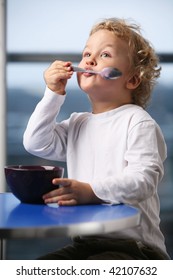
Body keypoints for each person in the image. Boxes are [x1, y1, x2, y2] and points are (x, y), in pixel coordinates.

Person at [23, 18, 170, 260]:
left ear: (132, 79)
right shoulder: (78, 123)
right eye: (87, 53)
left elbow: (143, 181)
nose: (90, 60)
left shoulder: (137, 122)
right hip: (85, 245)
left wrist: (92, 191)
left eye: (105, 55)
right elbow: (36, 142)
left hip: (136, 250)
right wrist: (53, 93)